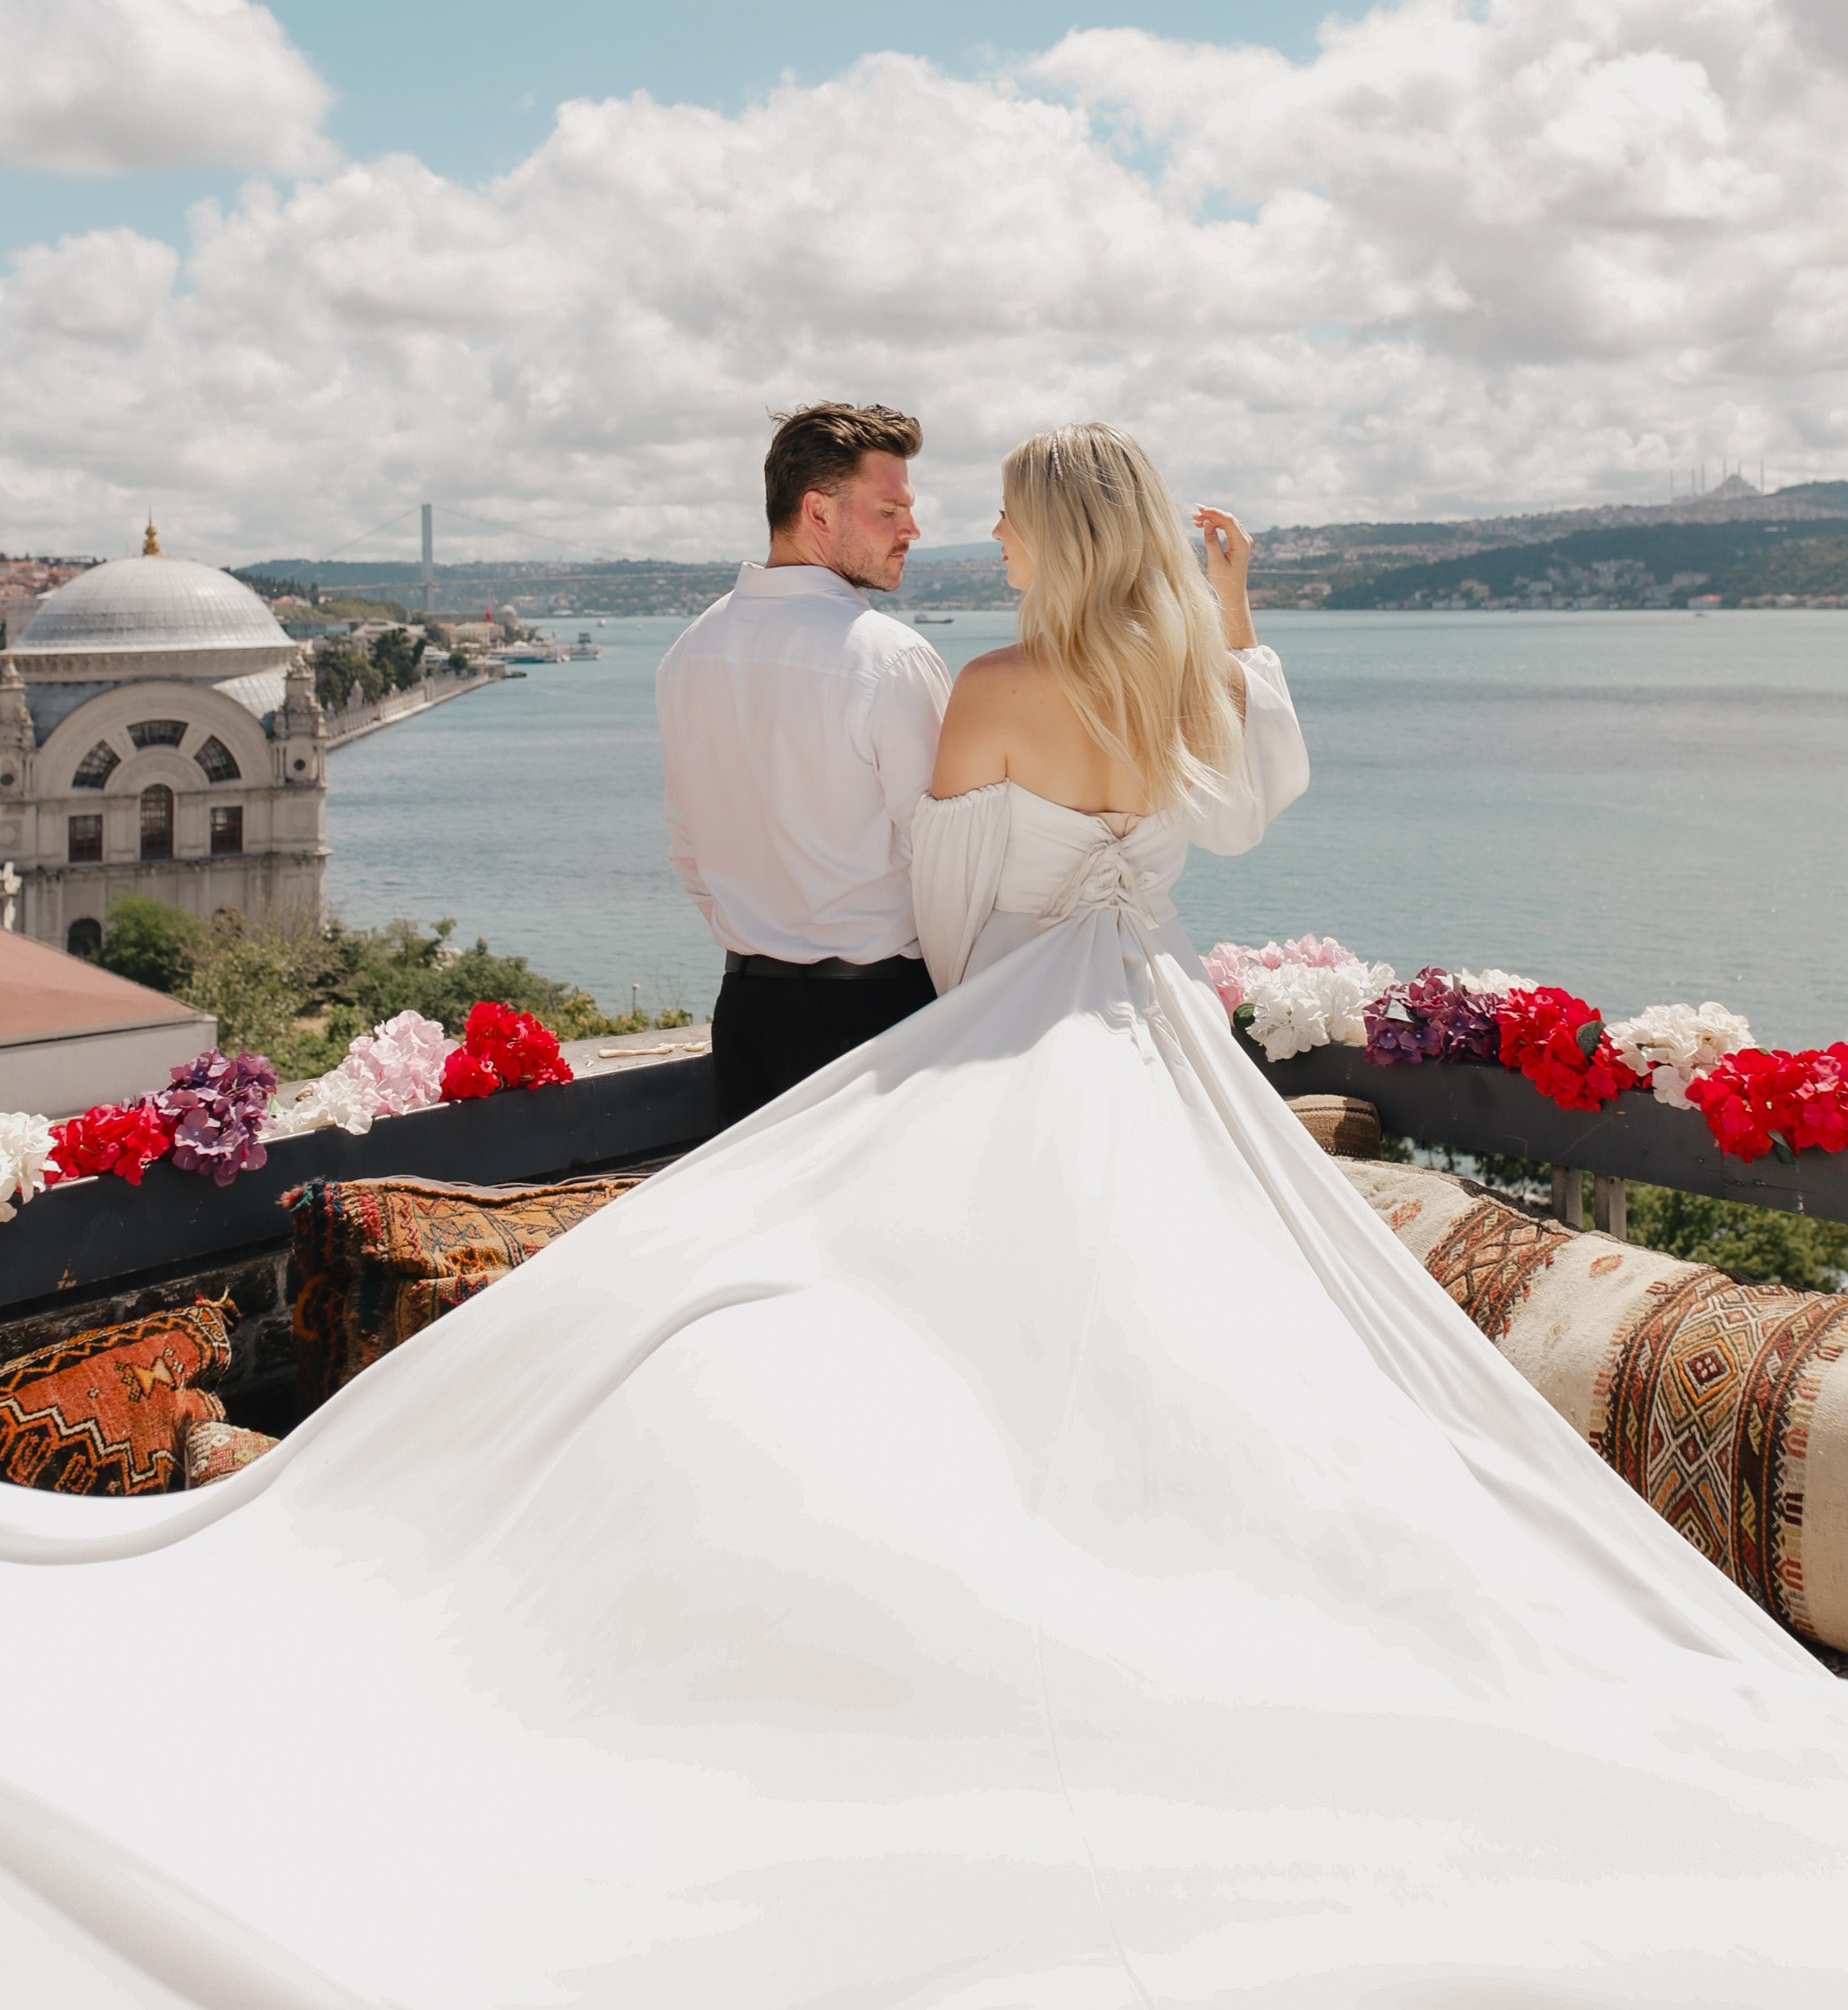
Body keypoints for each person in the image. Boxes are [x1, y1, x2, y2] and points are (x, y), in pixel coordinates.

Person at [4, 424, 1848, 2010]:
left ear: (1061, 538)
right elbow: (1261, 788)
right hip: (1167, 1050)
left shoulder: (989, 688)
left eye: (1018, 519)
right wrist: (1238, 611)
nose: (989, 540)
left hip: (1025, 1032)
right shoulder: (1185, 685)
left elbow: (958, 925)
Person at [657, 400, 950, 1127]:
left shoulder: (686, 653)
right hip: (880, 1023)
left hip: (745, 1020)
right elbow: (949, 863)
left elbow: (689, 855)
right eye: (890, 509)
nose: (913, 529)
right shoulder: (892, 659)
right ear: (819, 512)